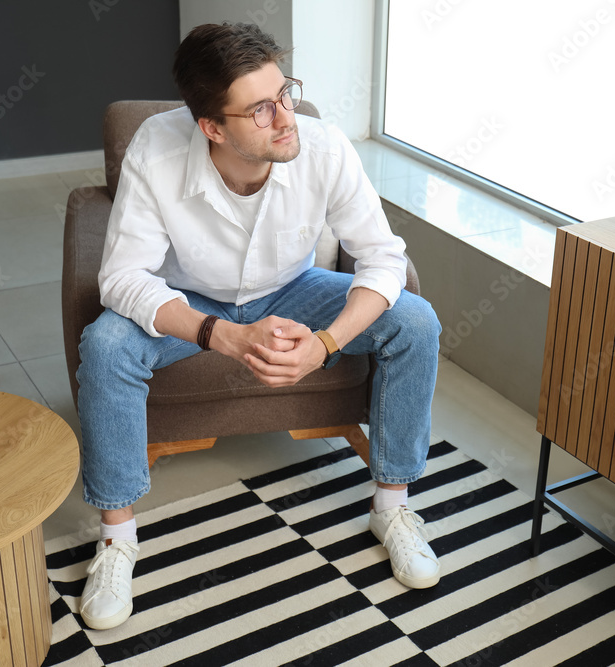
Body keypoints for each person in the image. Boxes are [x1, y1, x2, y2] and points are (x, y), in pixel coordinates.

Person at [75, 22, 443, 631]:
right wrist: (217, 333)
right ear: (212, 127)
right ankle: (117, 540)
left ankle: (393, 507)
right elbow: (121, 278)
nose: (286, 118)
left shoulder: (323, 148)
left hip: (295, 292)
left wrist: (327, 342)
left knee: (416, 321)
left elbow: (383, 258)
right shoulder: (155, 150)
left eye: (286, 94)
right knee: (106, 342)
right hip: (190, 299)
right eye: (261, 110)